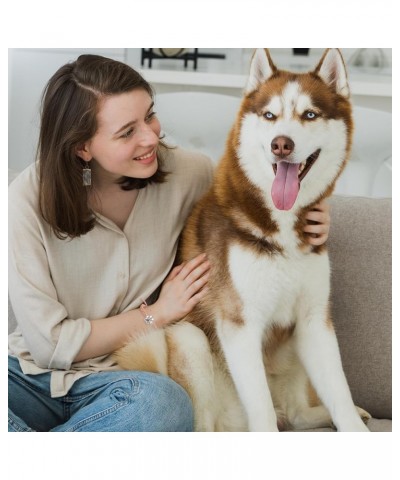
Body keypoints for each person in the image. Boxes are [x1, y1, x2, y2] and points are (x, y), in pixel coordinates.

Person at [8, 54, 331, 432]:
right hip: (26, 376)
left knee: (164, 404)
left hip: (123, 382)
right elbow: (50, 345)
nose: (151, 136)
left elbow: (259, 205)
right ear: (83, 148)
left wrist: (311, 216)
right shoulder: (25, 201)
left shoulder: (190, 173)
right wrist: (157, 313)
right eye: (127, 132)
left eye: (150, 115)